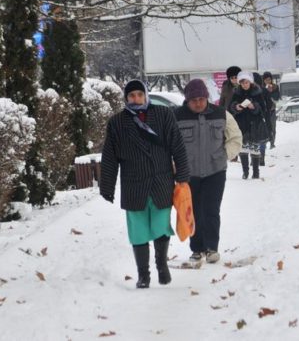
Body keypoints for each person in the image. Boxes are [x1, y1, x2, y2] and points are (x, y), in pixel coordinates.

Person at [100, 79, 190, 289]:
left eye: (140, 95)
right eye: (132, 96)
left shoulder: (163, 114)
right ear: (126, 98)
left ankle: (162, 265)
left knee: (161, 226)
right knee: (138, 230)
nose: (136, 99)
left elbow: (177, 145)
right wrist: (107, 186)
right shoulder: (117, 122)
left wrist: (182, 175)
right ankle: (143, 274)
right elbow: (110, 157)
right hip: (134, 184)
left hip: (161, 180)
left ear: (146, 95)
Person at [174, 79, 242, 265]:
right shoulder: (177, 116)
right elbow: (168, 142)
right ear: (187, 100)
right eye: (194, 100)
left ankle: (212, 248)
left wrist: (224, 155)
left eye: (201, 99)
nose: (198, 103)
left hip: (215, 171)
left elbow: (235, 137)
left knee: (211, 210)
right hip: (188, 173)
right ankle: (197, 249)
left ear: (207, 98)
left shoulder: (221, 114)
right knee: (193, 211)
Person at [229, 71, 269, 179]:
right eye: (242, 83)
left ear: (250, 82)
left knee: (255, 148)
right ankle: (245, 172)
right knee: (243, 149)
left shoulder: (257, 92)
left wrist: (254, 106)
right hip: (241, 124)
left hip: (255, 124)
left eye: (246, 82)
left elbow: (263, 108)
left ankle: (256, 172)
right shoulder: (237, 93)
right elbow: (230, 107)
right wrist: (236, 107)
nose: (244, 85)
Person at [253, 72, 272, 166]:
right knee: (262, 139)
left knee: (254, 139)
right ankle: (261, 158)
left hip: (253, 119)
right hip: (263, 118)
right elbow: (269, 105)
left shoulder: (250, 91)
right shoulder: (264, 90)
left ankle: (255, 158)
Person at [262, 71, 280, 148]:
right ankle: (264, 143)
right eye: (266, 80)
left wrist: (271, 92)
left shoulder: (275, 87)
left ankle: (272, 143)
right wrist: (265, 91)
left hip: (272, 110)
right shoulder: (261, 88)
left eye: (269, 79)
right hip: (264, 111)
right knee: (264, 128)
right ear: (263, 80)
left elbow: (277, 98)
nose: (268, 81)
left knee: (273, 127)